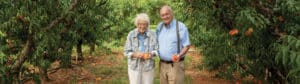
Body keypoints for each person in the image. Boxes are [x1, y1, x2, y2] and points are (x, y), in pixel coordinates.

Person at [156, 5, 191, 84]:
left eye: (167, 14)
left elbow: (187, 45)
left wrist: (179, 55)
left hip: (175, 65)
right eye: (162, 15)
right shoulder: (159, 27)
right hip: (162, 65)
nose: (165, 17)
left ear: (171, 13)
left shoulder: (181, 27)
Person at [124, 13, 158, 84]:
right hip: (134, 66)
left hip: (148, 66)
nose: (142, 26)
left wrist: (151, 54)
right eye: (140, 24)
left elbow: (157, 49)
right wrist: (134, 54)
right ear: (137, 24)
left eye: (144, 24)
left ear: (147, 24)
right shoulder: (131, 34)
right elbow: (126, 51)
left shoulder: (153, 34)